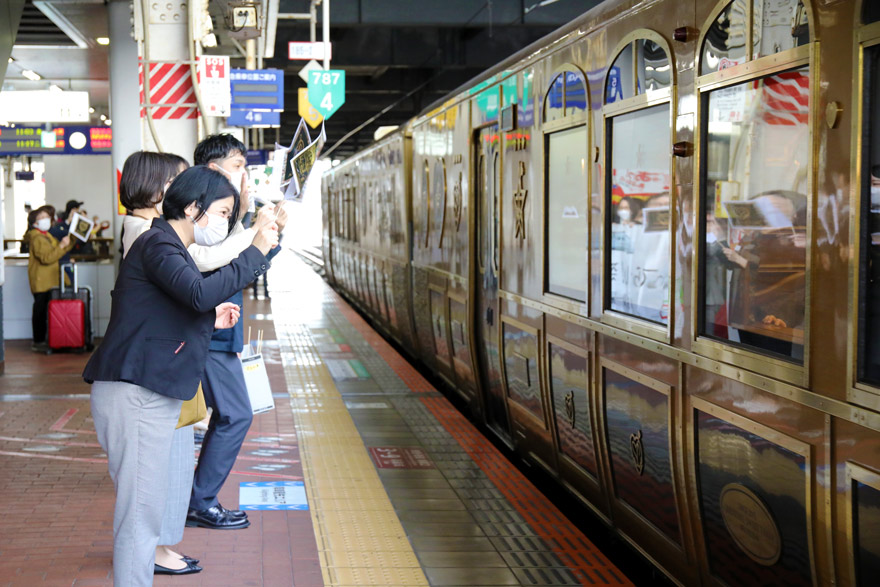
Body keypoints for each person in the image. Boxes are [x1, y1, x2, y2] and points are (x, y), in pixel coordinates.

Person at [83, 165, 278, 586]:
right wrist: (255, 250)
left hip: (145, 392)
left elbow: (175, 307)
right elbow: (197, 292)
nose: (224, 223)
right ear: (193, 208)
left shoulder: (167, 245)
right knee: (140, 516)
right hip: (136, 395)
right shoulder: (157, 243)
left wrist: (210, 317)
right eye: (223, 213)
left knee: (144, 512)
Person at [186, 134, 288, 531]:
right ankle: (199, 501)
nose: (244, 174)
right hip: (210, 330)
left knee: (231, 414)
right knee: (235, 414)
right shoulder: (205, 215)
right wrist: (254, 230)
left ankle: (198, 498)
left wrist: (268, 234)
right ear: (213, 169)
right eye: (238, 165)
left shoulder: (222, 213)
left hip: (220, 330)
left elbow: (242, 266)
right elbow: (221, 265)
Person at [118, 151, 197, 576]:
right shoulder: (146, 234)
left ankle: (161, 547)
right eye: (177, 182)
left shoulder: (151, 230)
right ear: (156, 187)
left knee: (169, 465)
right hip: (152, 370)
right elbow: (197, 280)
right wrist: (253, 243)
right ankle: (155, 550)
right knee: (154, 476)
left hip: (163, 362)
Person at [26, 205, 74, 352]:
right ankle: (39, 341)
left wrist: (70, 241)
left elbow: (58, 251)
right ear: (34, 222)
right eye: (41, 217)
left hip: (50, 279)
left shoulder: (46, 235)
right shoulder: (37, 237)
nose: (45, 219)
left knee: (47, 311)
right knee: (40, 312)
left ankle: (48, 339)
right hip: (42, 281)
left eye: (46, 217)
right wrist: (62, 245)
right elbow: (47, 258)